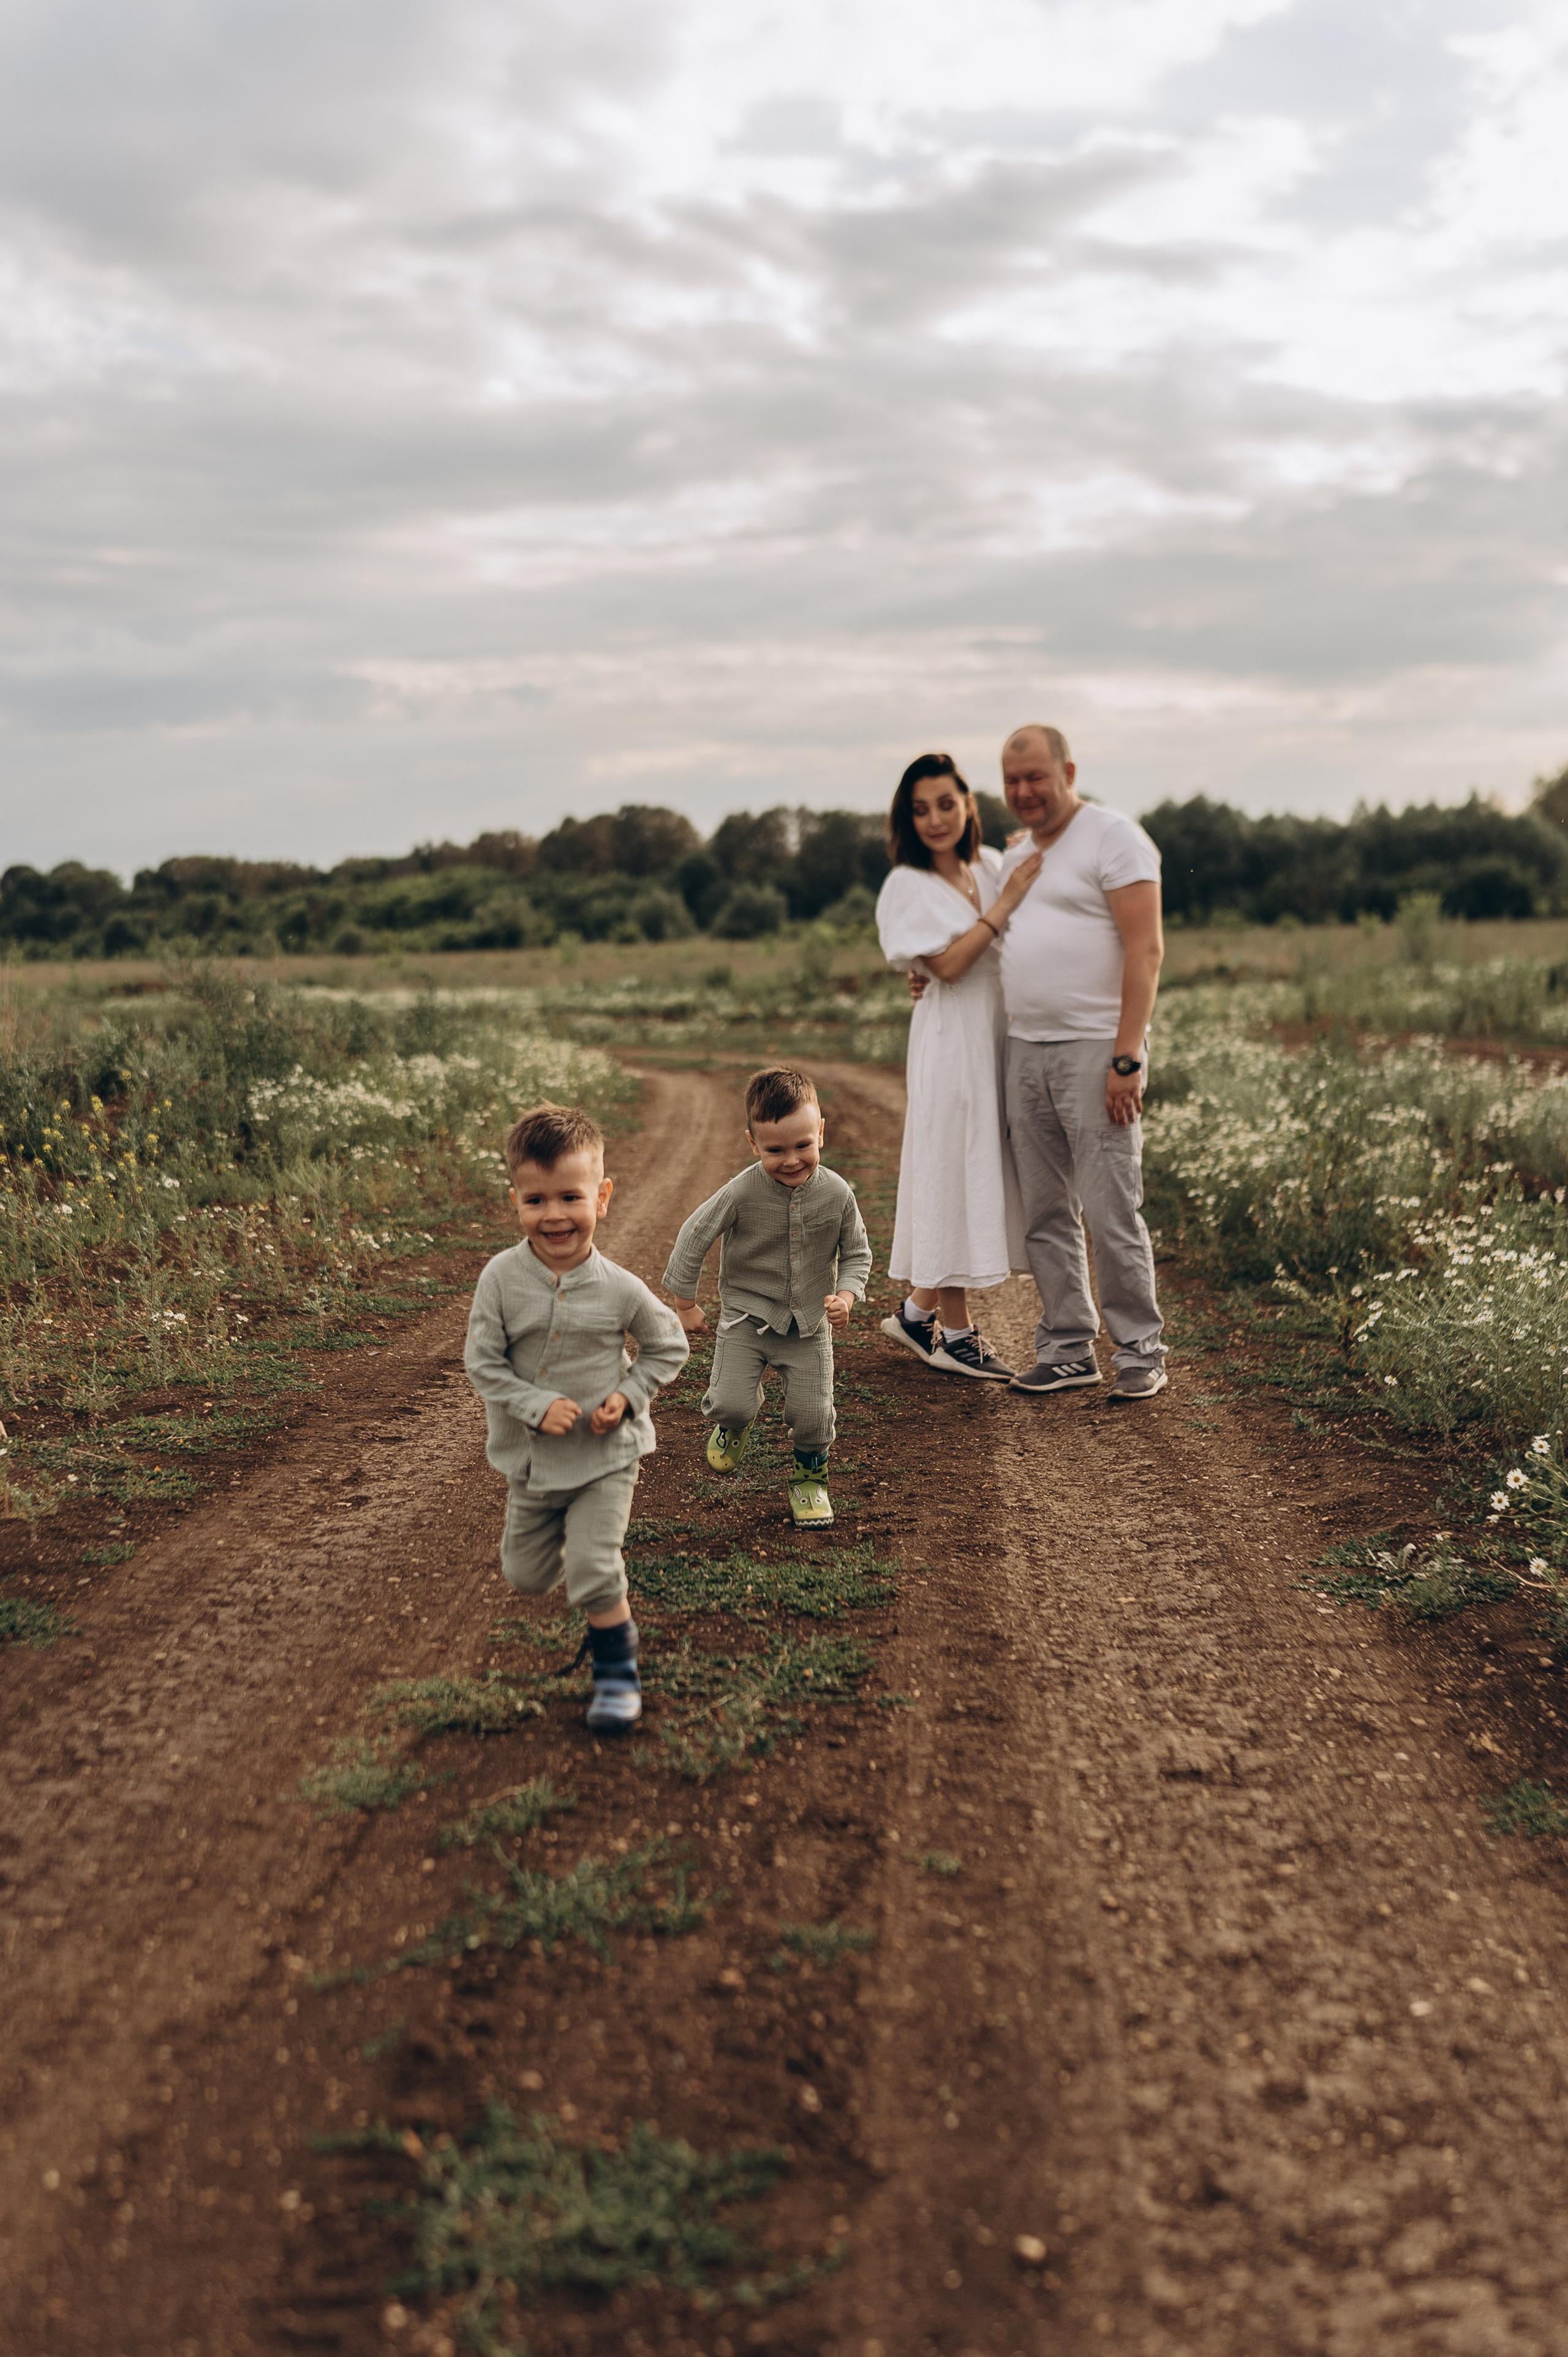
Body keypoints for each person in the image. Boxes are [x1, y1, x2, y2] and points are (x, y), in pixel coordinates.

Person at [464, 1102, 688, 1732]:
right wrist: (533, 1405)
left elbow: (669, 1345)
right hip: (533, 1464)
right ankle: (585, 1556)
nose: (555, 1215)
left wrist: (629, 1394)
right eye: (537, 1200)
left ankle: (617, 1675)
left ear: (602, 1197)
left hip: (607, 1455)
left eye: (571, 1196)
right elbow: (481, 1362)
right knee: (527, 1575)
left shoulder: (620, 1287)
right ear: (516, 1200)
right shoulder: (500, 1279)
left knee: (591, 1569)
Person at [995, 723, 1167, 1400]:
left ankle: (1140, 1351)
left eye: (1036, 777)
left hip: (1097, 1048)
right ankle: (1068, 1347)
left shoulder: (1115, 838)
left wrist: (1126, 1058)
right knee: (1045, 1211)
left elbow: (1146, 950)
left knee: (1109, 1206)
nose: (1024, 791)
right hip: (1025, 1048)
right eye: (1012, 781)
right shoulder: (1016, 855)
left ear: (1068, 772)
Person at [874, 751, 1042, 1380]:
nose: (936, 819)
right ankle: (956, 1333)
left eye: (947, 804)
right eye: (921, 809)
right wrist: (1004, 906)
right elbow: (946, 966)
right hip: (949, 1039)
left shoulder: (992, 865)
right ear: (908, 819)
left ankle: (916, 1314)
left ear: (969, 804)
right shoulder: (906, 883)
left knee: (980, 1165)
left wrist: (1030, 852)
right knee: (951, 1165)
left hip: (996, 1033)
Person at [663, 1065, 873, 1529]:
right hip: (746, 1319)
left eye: (803, 1146)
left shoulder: (838, 1194)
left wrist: (846, 1296)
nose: (792, 1160)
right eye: (775, 1150)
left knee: (813, 1415)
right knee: (731, 1403)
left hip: (810, 1326)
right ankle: (737, 1421)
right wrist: (685, 1303)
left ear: (821, 1133)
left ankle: (809, 1481)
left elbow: (857, 1253)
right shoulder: (741, 1192)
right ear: (753, 1144)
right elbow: (695, 1235)